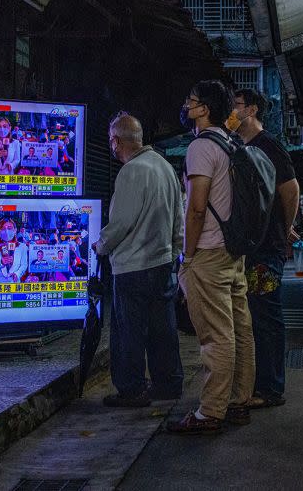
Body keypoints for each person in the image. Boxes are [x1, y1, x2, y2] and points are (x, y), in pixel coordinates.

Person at [168, 80, 255, 434]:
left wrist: (187, 255)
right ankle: (237, 401)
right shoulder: (231, 142)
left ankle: (210, 412)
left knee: (215, 336)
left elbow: (197, 208)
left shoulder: (202, 147)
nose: (186, 106)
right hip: (233, 251)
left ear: (203, 109)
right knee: (239, 330)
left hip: (207, 251)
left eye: (190, 100)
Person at [93, 112, 185, 408]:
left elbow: (120, 223)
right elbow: (178, 218)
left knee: (128, 332)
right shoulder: (164, 167)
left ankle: (132, 389)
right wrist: (174, 252)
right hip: (162, 263)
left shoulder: (131, 171)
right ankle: (168, 383)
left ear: (116, 141)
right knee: (163, 330)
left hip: (133, 267)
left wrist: (101, 245)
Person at [230, 89, 300, 409]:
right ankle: (261, 383)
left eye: (236, 106)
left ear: (252, 110)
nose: (231, 111)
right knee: (255, 315)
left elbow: (290, 189)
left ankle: (271, 388)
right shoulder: (239, 147)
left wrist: (283, 229)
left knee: (266, 315)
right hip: (251, 246)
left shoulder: (268, 145)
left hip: (266, 249)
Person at [0, 218, 29, 283]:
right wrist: (0, 263)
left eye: (9, 228)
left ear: (15, 230)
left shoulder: (22, 247)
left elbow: (24, 265)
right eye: (3, 229)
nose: (6, 231)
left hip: (14, 286)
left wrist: (17, 274)